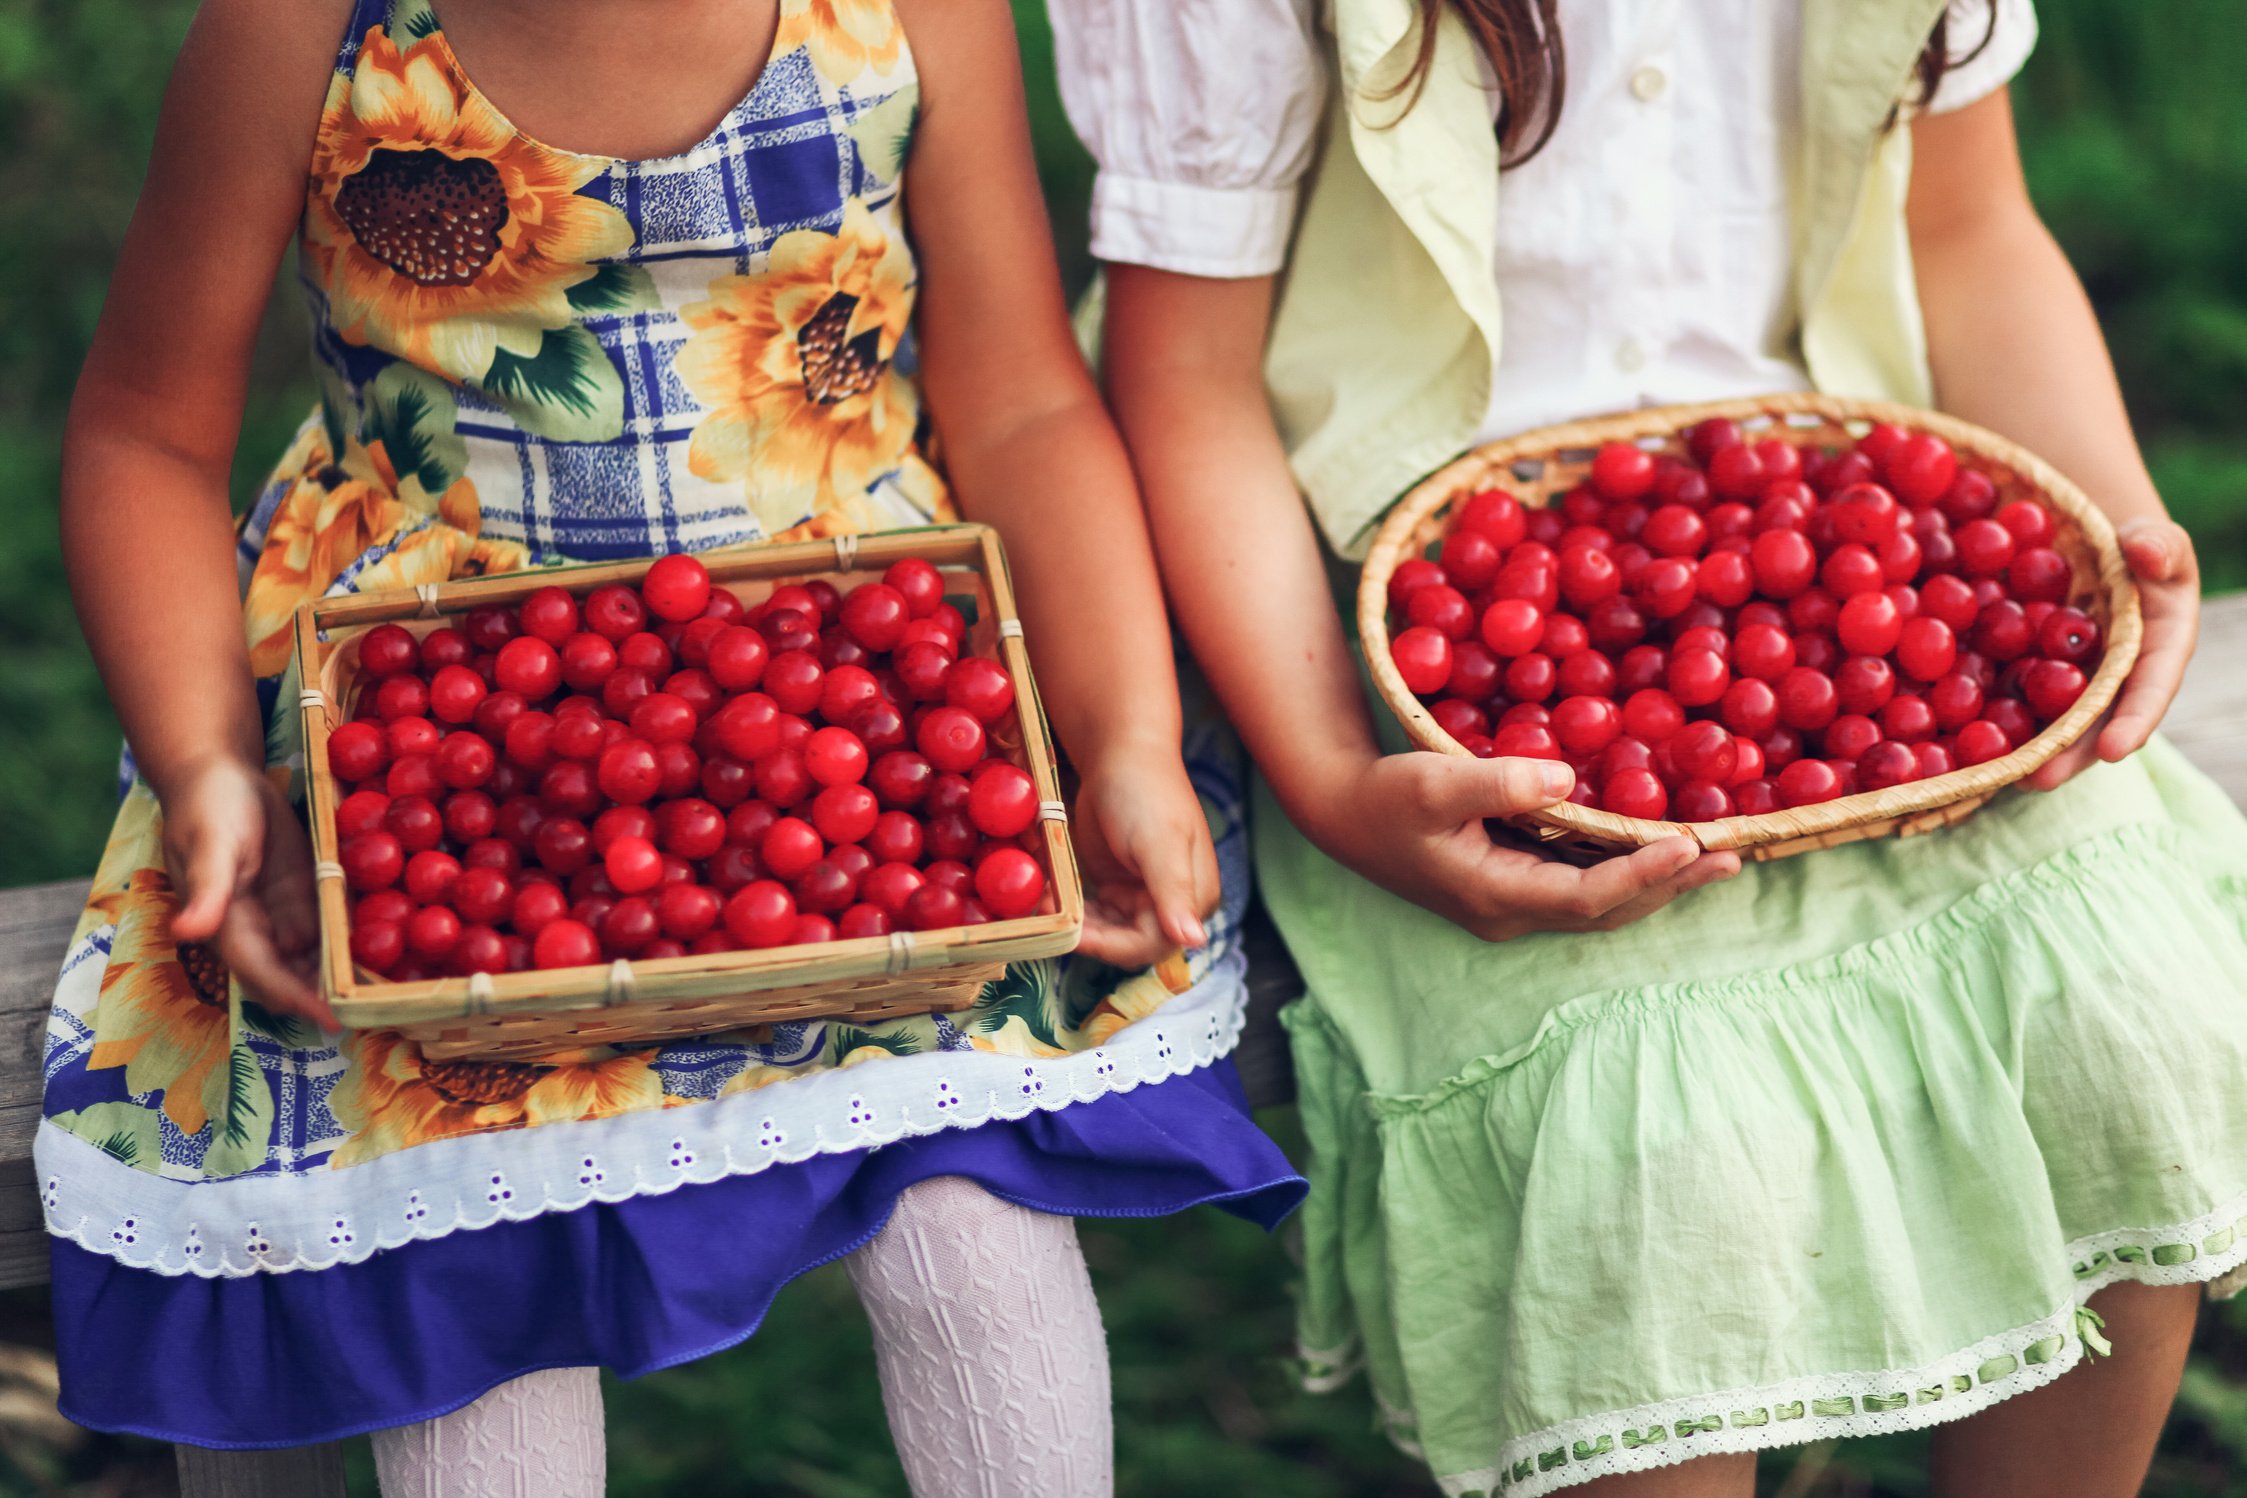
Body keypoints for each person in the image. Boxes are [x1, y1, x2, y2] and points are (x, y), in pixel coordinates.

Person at [44, 0, 1303, 1491]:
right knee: (468, 1316)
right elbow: (146, 432)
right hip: (434, 728)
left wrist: (1128, 735)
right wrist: (205, 761)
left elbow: (1024, 398)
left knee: (976, 1246)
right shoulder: (298, 26)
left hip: (852, 698)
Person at [1051, 0, 2247, 1492]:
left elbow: (1969, 229)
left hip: (1824, 512)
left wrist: (2114, 531)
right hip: (1364, 613)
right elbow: (1192, 383)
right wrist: (1336, 785)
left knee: (2122, 1017)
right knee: (1650, 1162)